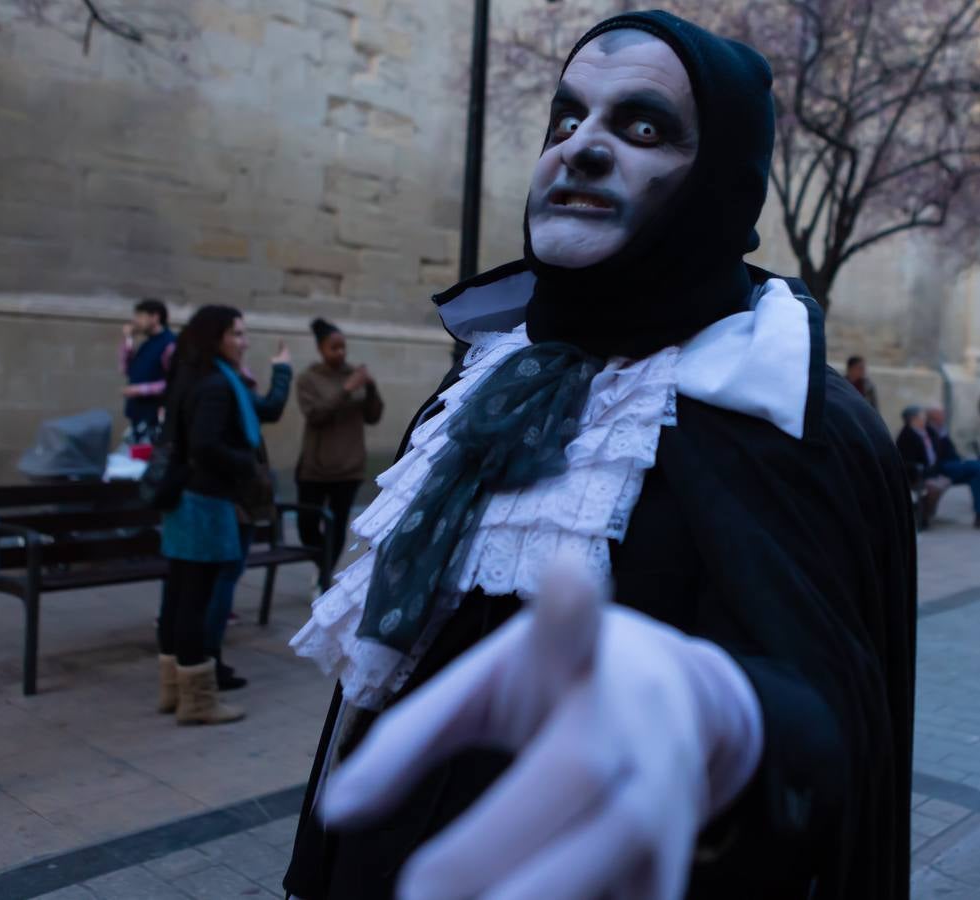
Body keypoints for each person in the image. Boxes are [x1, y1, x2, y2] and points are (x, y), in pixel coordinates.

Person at [285, 12, 915, 900]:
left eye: (642, 127)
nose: (578, 149)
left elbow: (833, 721)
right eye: (564, 118)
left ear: (719, 182)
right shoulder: (488, 374)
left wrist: (727, 723)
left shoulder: (782, 414)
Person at [157, 305, 268, 725]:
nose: (244, 342)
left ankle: (174, 690)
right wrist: (245, 463)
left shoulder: (190, 375)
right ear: (216, 337)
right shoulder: (216, 385)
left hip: (184, 497)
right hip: (204, 502)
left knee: (178, 597)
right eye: (237, 334)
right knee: (194, 601)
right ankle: (199, 702)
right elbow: (205, 446)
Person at [203, 343, 293, 691]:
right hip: (230, 497)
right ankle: (207, 659)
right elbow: (269, 408)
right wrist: (282, 370)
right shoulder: (226, 384)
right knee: (223, 577)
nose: (242, 342)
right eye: (235, 334)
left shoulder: (206, 379)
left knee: (216, 579)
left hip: (223, 497)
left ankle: (200, 660)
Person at [295, 318, 384, 594]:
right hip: (315, 467)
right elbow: (315, 415)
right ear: (321, 348)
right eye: (334, 348)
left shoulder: (354, 375)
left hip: (349, 468)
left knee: (336, 526)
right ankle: (321, 561)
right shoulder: (309, 379)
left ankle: (323, 576)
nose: (341, 353)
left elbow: (373, 416)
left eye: (343, 347)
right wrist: (346, 390)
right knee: (307, 525)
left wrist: (369, 387)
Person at [120, 298, 177, 443]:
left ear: (155, 317)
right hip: (138, 415)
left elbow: (174, 382)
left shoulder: (169, 344)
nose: (135, 321)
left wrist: (139, 390)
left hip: (154, 418)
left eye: (140, 316)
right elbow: (126, 369)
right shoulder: (147, 344)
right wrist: (128, 340)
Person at [896, 406, 952, 525]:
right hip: (916, 474)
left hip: (931, 471)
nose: (925, 418)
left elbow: (940, 442)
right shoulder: (906, 435)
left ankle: (926, 512)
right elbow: (906, 460)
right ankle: (924, 515)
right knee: (934, 487)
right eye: (922, 416)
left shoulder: (927, 431)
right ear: (913, 419)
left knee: (944, 482)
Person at [926, 407, 980, 527]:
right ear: (934, 417)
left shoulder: (941, 430)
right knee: (977, 467)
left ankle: (979, 515)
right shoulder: (930, 430)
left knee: (976, 476)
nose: (944, 416)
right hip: (942, 466)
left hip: (952, 463)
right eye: (940, 414)